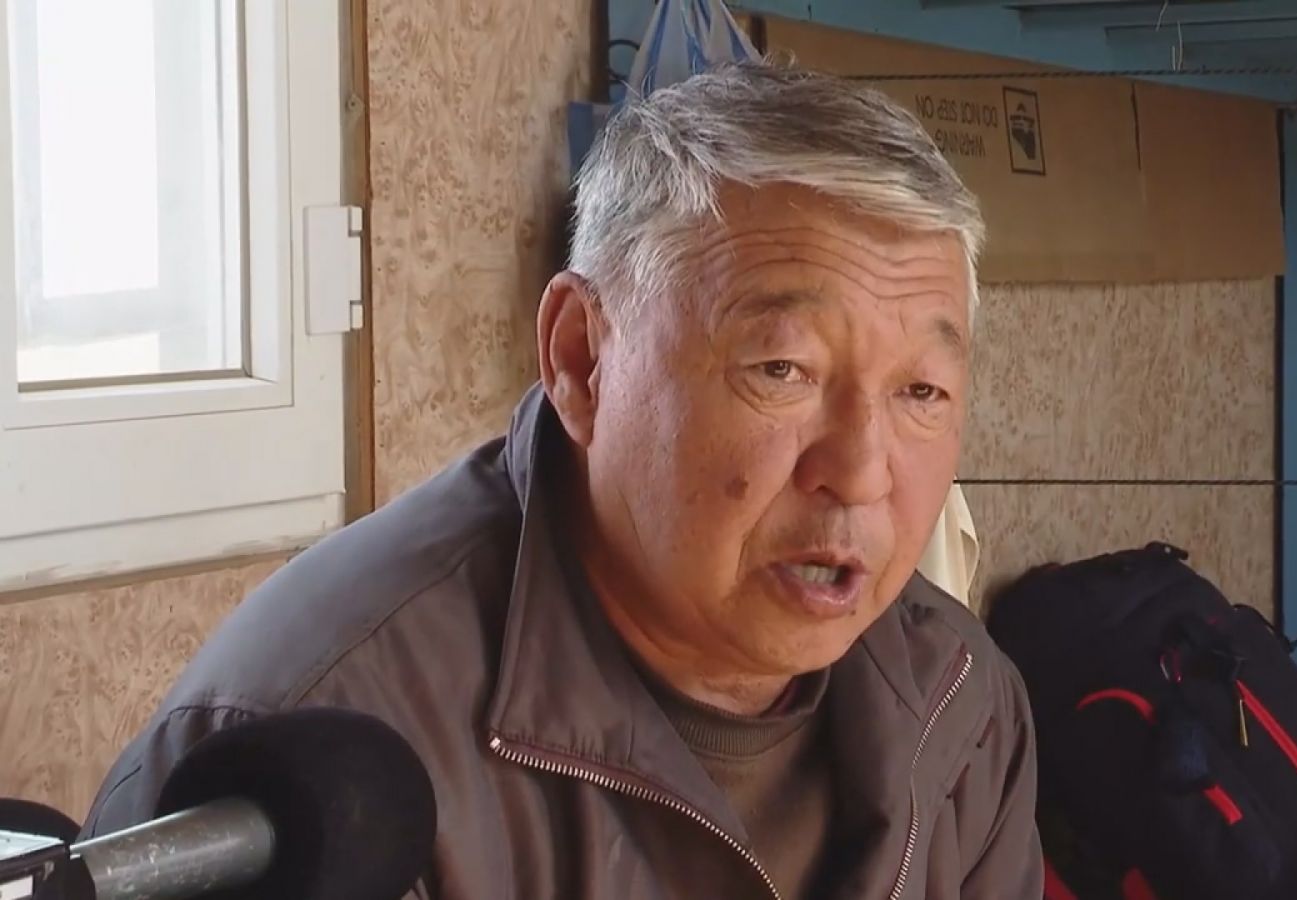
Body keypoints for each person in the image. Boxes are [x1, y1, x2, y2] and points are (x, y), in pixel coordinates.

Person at [81, 61, 1043, 900]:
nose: (861, 474)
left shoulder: (959, 702)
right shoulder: (319, 760)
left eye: (922, 391)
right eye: (781, 369)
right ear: (582, 359)